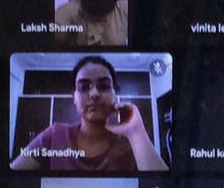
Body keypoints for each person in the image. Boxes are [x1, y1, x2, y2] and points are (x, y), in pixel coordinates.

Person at [11, 56, 168, 172]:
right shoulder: (54, 135)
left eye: (104, 86)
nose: (94, 94)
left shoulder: (131, 143)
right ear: (74, 97)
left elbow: (160, 186)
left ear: (115, 94)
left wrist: (137, 133)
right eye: (84, 87)